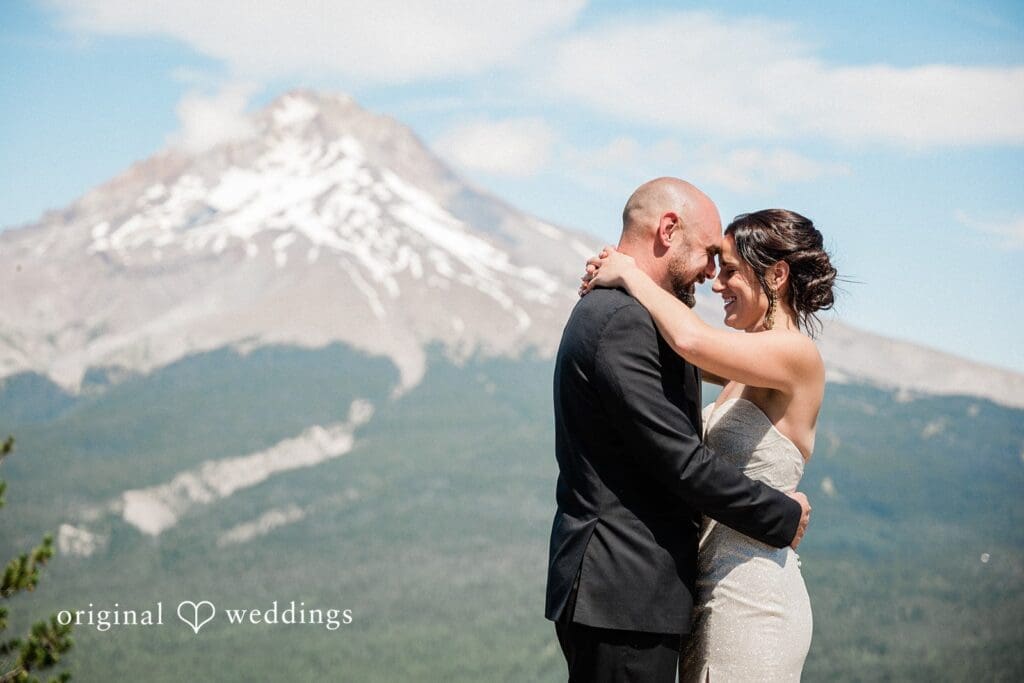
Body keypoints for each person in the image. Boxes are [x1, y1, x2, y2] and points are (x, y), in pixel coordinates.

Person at [545, 177, 811, 683]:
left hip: (649, 597)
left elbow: (694, 345)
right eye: (711, 255)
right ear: (669, 230)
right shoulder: (623, 319)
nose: (712, 276)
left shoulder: (636, 316)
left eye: (726, 266)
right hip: (622, 592)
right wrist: (782, 514)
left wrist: (625, 274)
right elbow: (681, 460)